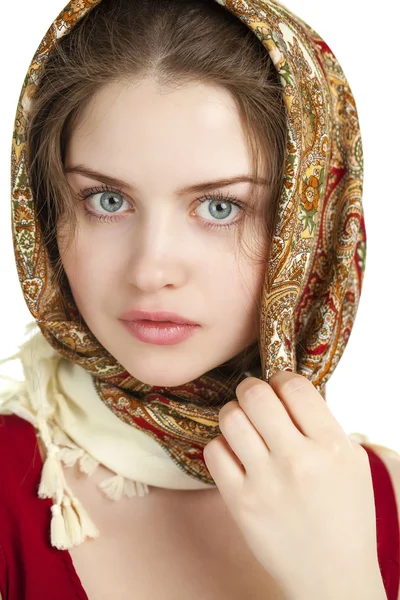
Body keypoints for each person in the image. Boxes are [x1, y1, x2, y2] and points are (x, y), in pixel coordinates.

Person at [0, 0, 399, 598]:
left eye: (221, 207)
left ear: (313, 224)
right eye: (107, 200)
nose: (151, 270)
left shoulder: (383, 493)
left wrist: (339, 579)